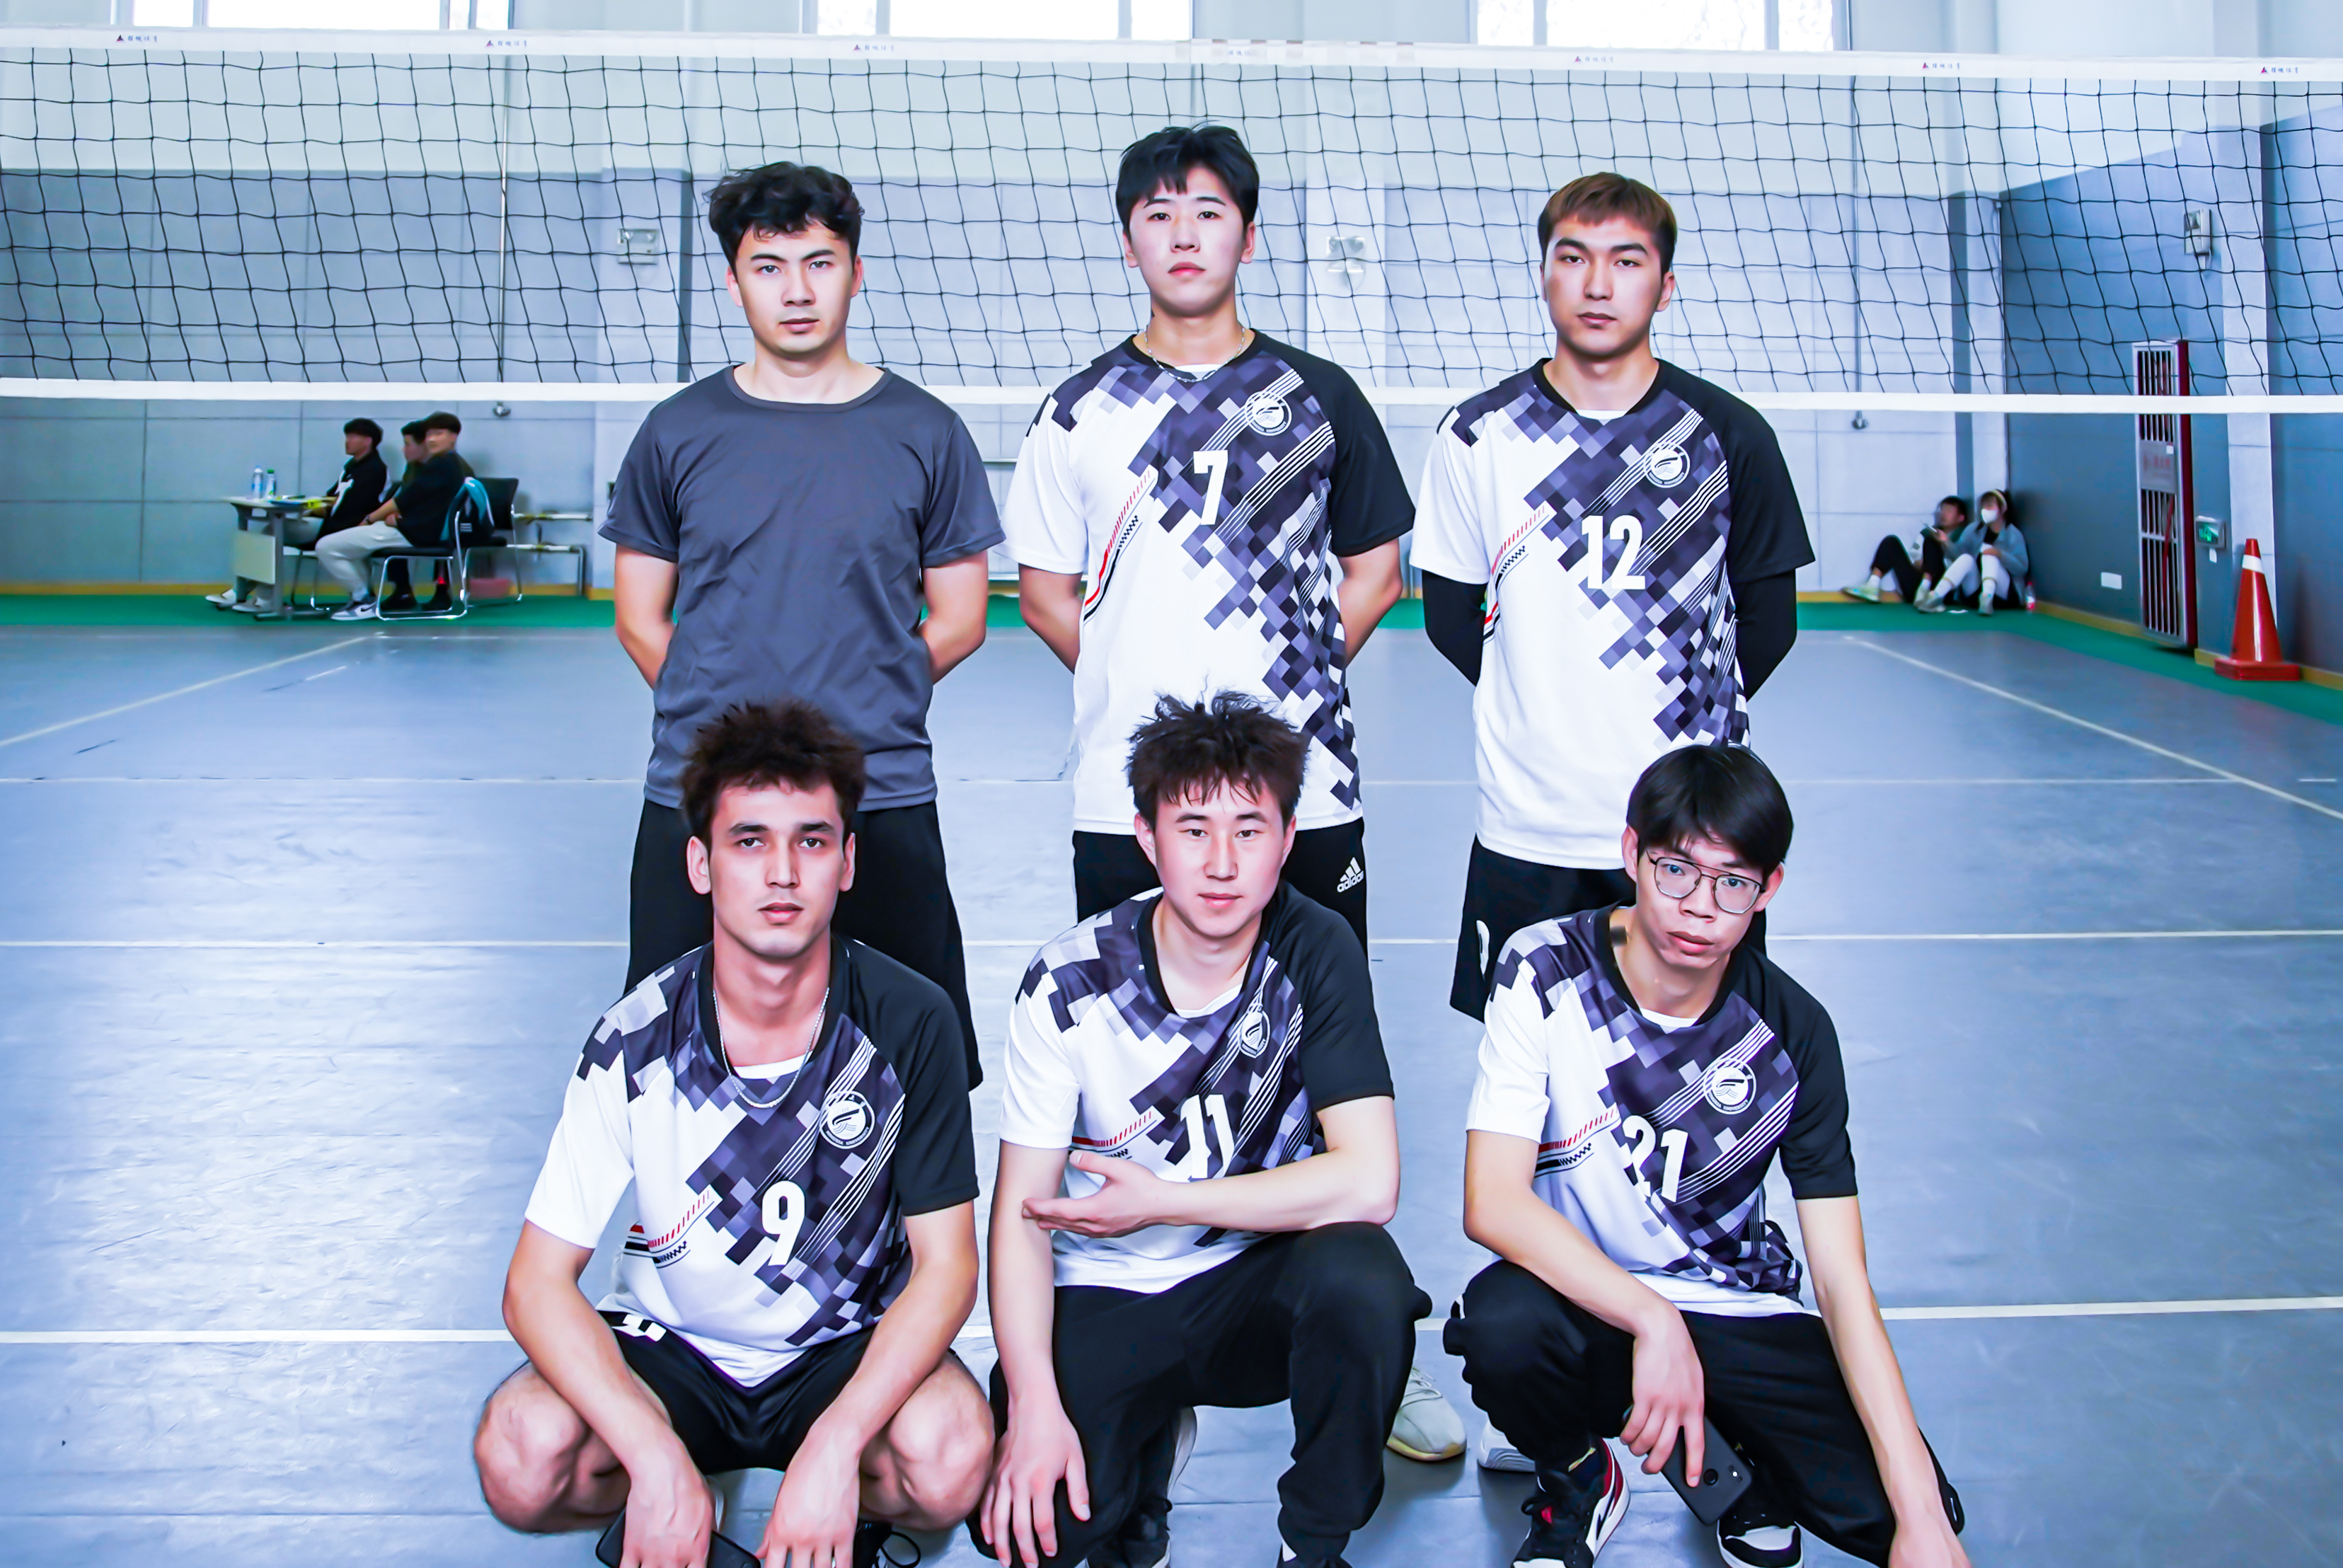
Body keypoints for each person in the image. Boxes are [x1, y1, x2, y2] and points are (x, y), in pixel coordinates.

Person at [473, 699, 994, 1568]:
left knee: (948, 1456)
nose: (781, 872)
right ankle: (687, 1483)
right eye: (749, 841)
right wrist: (653, 1454)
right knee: (521, 1454)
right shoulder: (636, 1035)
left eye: (811, 840)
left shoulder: (910, 1019)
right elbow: (535, 1282)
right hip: (671, 1348)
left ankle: (839, 1503)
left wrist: (835, 1446)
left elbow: (947, 1267)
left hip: (839, 1346)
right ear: (700, 863)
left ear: (847, 861)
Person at [1448, 745, 1968, 1568]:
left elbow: (1840, 1280)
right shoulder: (1542, 967)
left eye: (1732, 883)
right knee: (1499, 1326)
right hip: (1580, 1298)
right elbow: (1492, 1202)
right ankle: (1577, 1475)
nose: (1698, 908)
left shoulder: (1792, 1030)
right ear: (1631, 852)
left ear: (1768, 889)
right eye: (1676, 871)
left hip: (1730, 1303)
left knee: (1901, 1512)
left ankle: (1739, 1473)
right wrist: (1650, 1318)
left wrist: (1919, 1517)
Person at [981, 694, 1433, 1568]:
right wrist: (1033, 1404)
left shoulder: (1315, 949)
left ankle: (1313, 1545)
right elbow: (1019, 1215)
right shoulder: (1068, 981)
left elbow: (1370, 1180)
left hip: (1252, 1279)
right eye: (1192, 829)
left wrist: (1165, 1200)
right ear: (1147, 839)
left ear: (1287, 839)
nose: (1221, 862)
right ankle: (1139, 1466)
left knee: (1364, 1286)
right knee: (1030, 1531)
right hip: (1108, 1286)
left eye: (1248, 830)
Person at [604, 159, 1000, 1090]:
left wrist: (868, 696)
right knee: (668, 1066)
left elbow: (960, 617)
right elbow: (638, 617)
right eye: (768, 267)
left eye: (818, 264)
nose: (795, 290)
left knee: (913, 1061)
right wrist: (725, 731)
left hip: (878, 789)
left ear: (854, 274)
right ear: (733, 280)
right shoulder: (675, 431)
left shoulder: (926, 431)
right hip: (701, 791)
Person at [1411, 171, 1812, 1037]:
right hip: (1530, 824)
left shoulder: (1728, 433)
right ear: (1543, 274)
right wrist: (1545, 696)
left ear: (1664, 287)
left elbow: (1769, 622)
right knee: (1529, 1068)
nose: (1597, 284)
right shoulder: (1477, 434)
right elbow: (1448, 615)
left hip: (1690, 833)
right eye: (1573, 258)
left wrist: (1676, 723)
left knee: (1695, 1062)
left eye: (1625, 261)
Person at [1003, 124, 1413, 959]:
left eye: (1208, 212)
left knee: (1314, 1016)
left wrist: (1298, 668)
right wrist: (1128, 669)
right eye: (1158, 216)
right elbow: (1043, 594)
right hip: (1128, 785)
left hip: (1304, 781)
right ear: (1128, 245)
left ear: (1248, 238)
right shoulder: (1077, 409)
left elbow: (1376, 573)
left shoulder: (1321, 395)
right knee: (1133, 1017)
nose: (1183, 236)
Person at [207, 417, 388, 614]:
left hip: (341, 527)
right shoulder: (351, 467)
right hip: (327, 522)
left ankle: (259, 597)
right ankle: (250, 593)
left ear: (368, 441)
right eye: (347, 436)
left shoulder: (375, 470)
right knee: (269, 533)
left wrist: (319, 508)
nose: (347, 441)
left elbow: (351, 507)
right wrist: (308, 507)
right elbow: (331, 499)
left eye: (352, 437)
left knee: (273, 532)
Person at [321, 410, 471, 621]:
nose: (432, 439)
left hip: (414, 533)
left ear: (453, 436)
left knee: (326, 546)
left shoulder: (443, 465)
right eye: (429, 434)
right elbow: (416, 501)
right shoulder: (437, 465)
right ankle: (371, 597)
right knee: (347, 547)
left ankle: (364, 601)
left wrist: (371, 520)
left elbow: (404, 501)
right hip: (409, 528)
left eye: (438, 434)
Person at [1915, 489, 2026, 616]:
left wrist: (1999, 554)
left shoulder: (2013, 534)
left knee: (1989, 555)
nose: (1985, 510)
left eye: (1990, 506)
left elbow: (2022, 569)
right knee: (1966, 558)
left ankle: (1987, 596)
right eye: (1983, 506)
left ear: (2003, 509)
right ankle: (1935, 597)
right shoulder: (1974, 530)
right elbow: (1958, 557)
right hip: (1975, 593)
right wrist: (1946, 541)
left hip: (2004, 595)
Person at [1843, 495, 1967, 606]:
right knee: (1891, 542)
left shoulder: (1965, 536)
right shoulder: (1928, 533)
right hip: (1916, 587)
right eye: (1943, 510)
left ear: (1961, 518)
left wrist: (1945, 542)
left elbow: (1965, 562)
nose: (1944, 514)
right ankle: (1873, 585)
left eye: (1949, 511)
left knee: (1932, 542)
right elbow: (1914, 556)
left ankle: (1925, 589)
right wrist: (1920, 563)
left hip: (1942, 591)